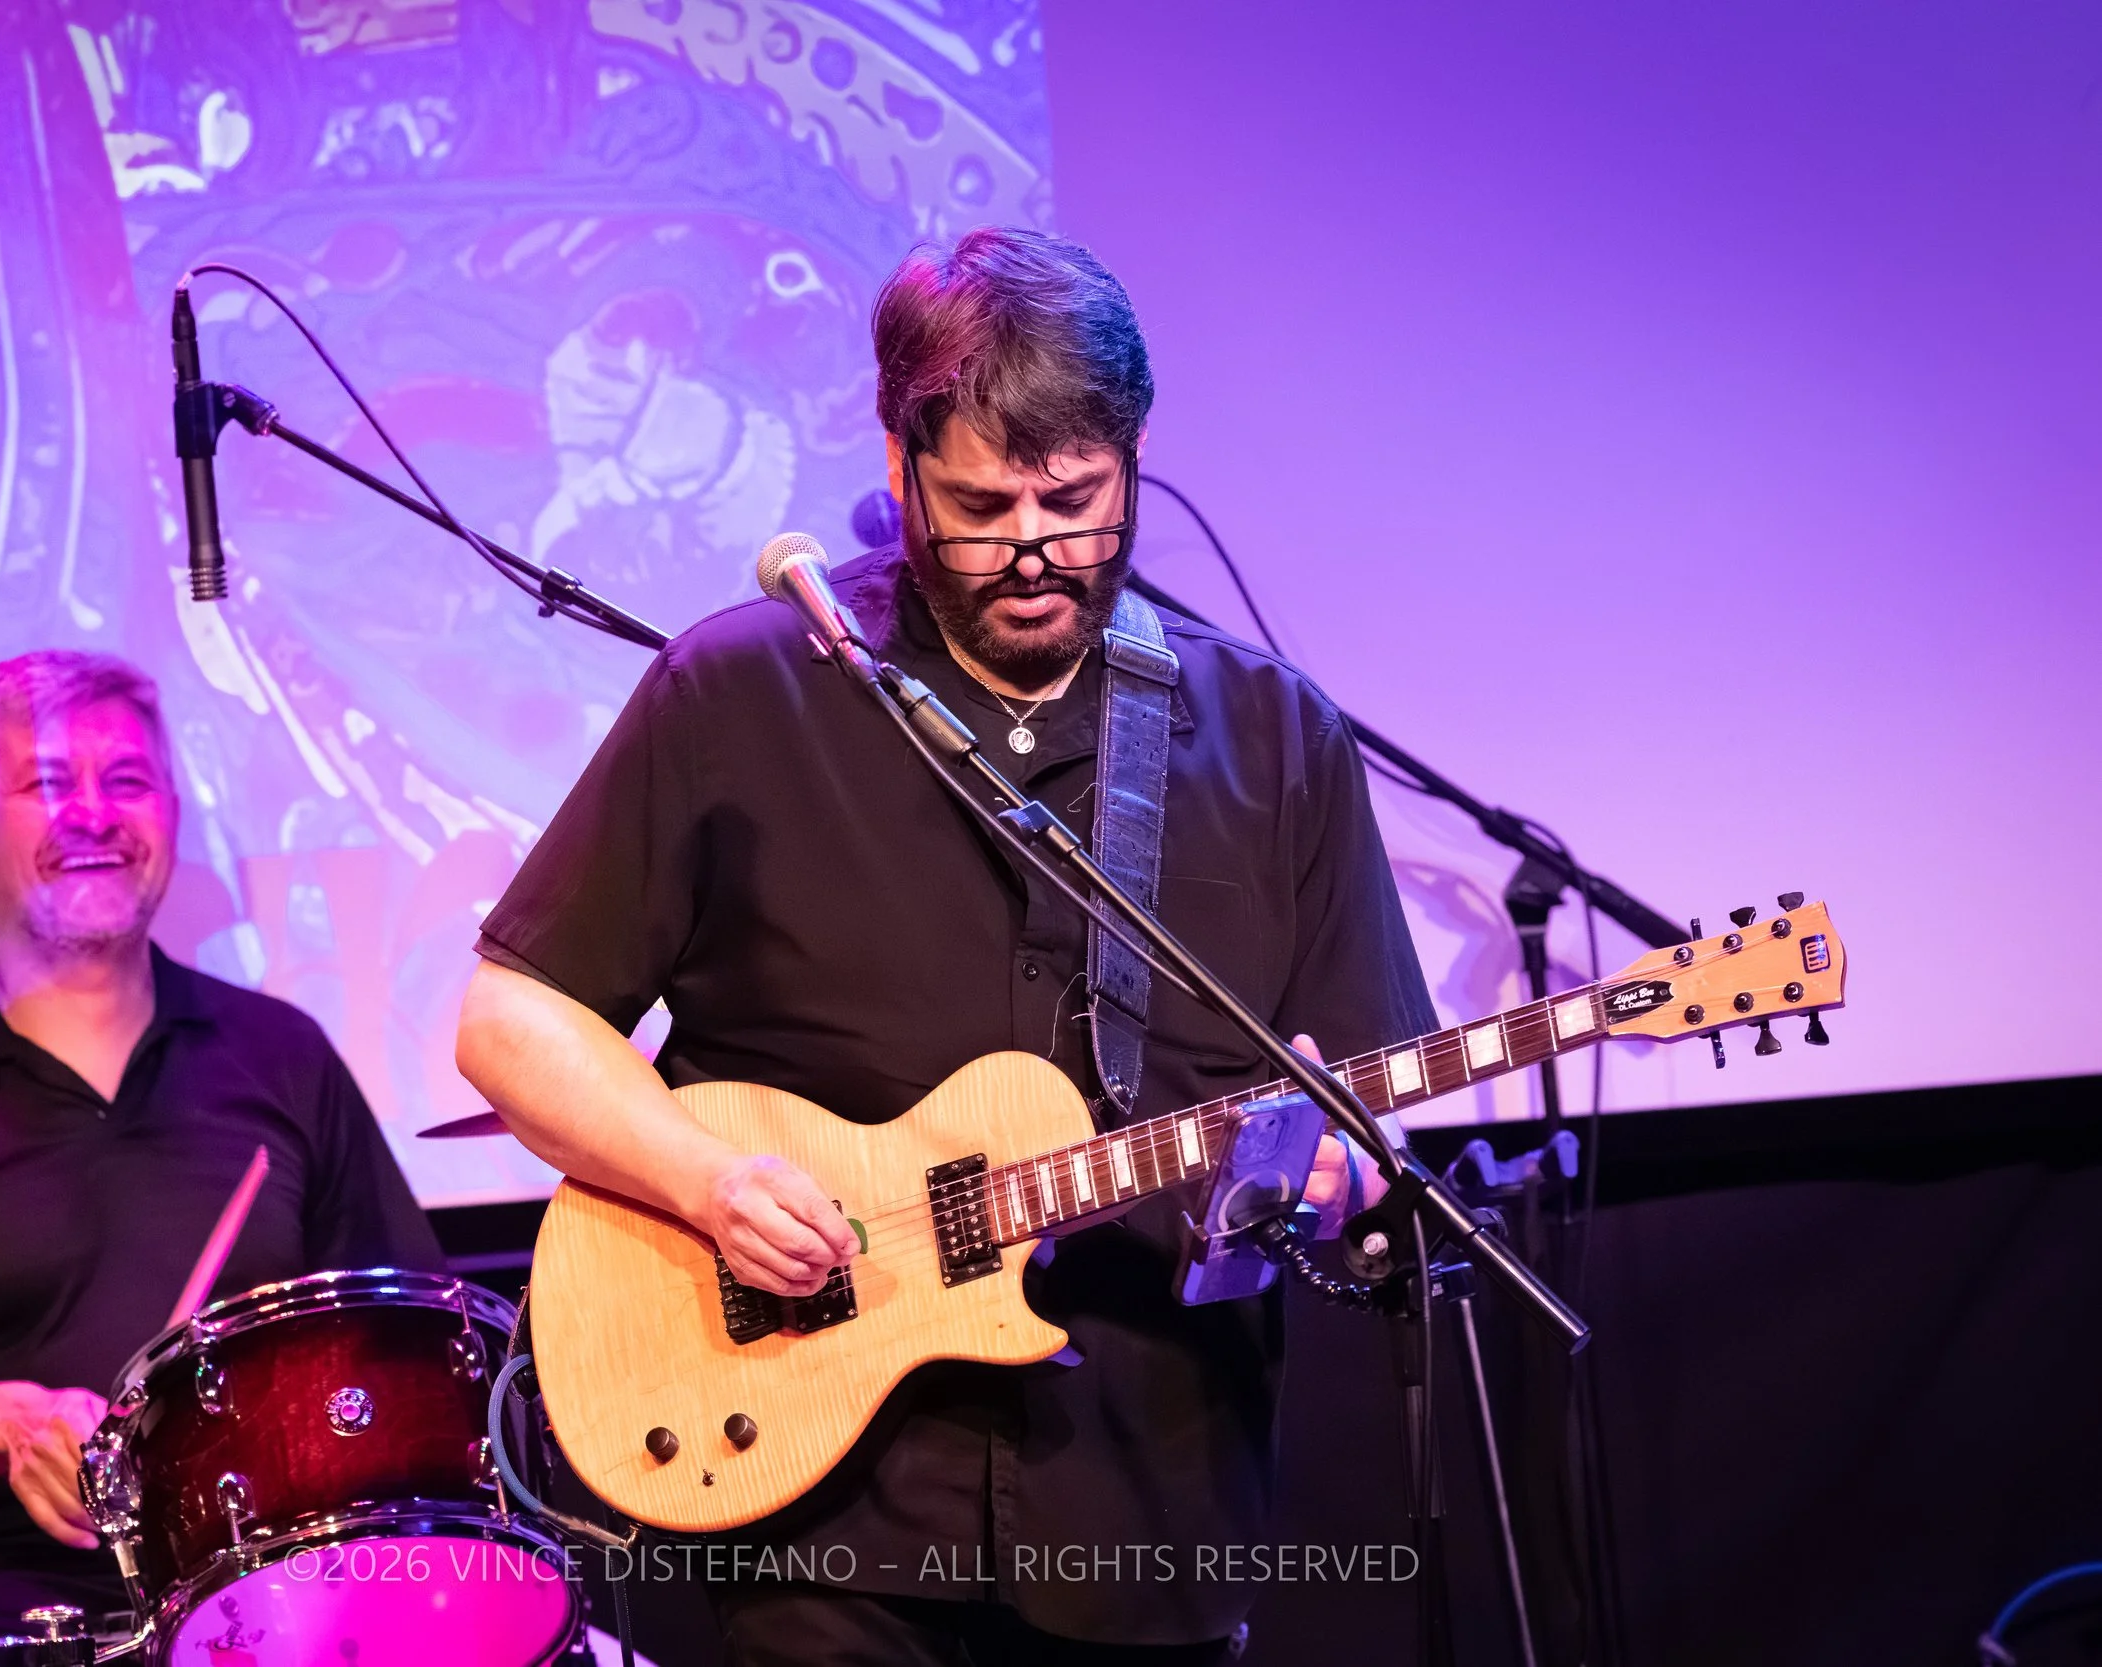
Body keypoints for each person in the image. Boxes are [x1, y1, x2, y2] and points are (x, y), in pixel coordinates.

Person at [456, 228, 1438, 1664]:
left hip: (1149, 1505)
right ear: (900, 455)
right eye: (982, 505)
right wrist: (712, 1180)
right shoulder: (747, 689)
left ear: (1136, 448)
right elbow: (510, 1018)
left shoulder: (1276, 736)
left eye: (1077, 500)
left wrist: (1341, 1167)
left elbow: (1351, 1089)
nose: (1035, 551)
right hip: (817, 1500)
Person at [0, 650, 443, 1645]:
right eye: (47, 783)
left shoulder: (280, 1054)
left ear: (172, 814)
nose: (93, 814)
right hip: (15, 1602)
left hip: (283, 1590)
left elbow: (399, 1340)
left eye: (127, 780)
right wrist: (13, 1422)